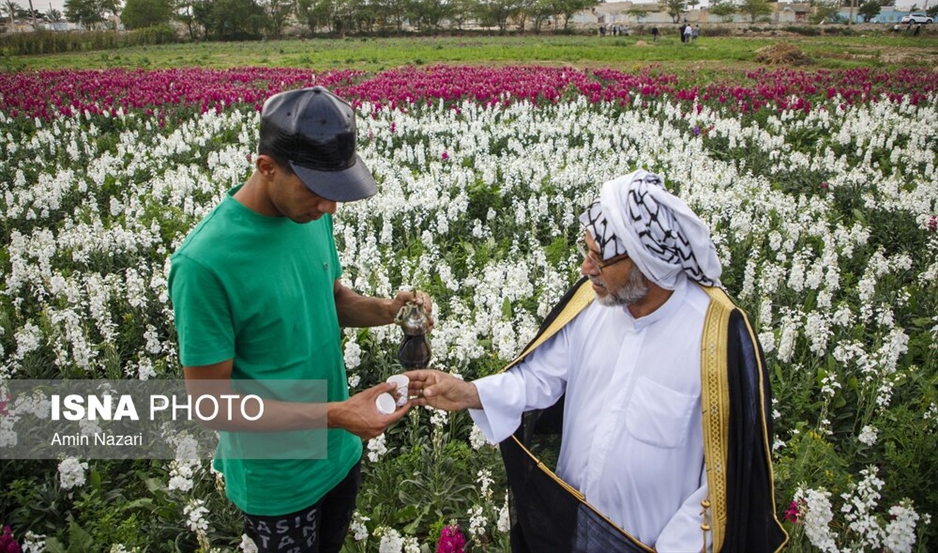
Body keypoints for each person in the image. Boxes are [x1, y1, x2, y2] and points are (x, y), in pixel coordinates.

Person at [407, 170, 787, 552]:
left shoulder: (716, 337)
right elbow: (539, 378)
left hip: (647, 543)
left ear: (646, 261)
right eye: (586, 250)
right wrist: (470, 393)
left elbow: (722, 482)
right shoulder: (592, 305)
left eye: (599, 258)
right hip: (567, 525)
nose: (586, 268)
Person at [168, 86, 432, 553]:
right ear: (266, 168)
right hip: (278, 483)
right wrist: (336, 414)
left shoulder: (309, 215)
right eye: (317, 190)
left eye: (335, 192)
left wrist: (388, 311)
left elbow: (328, 298)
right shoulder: (205, 264)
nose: (329, 207)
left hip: (339, 453)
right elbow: (210, 405)